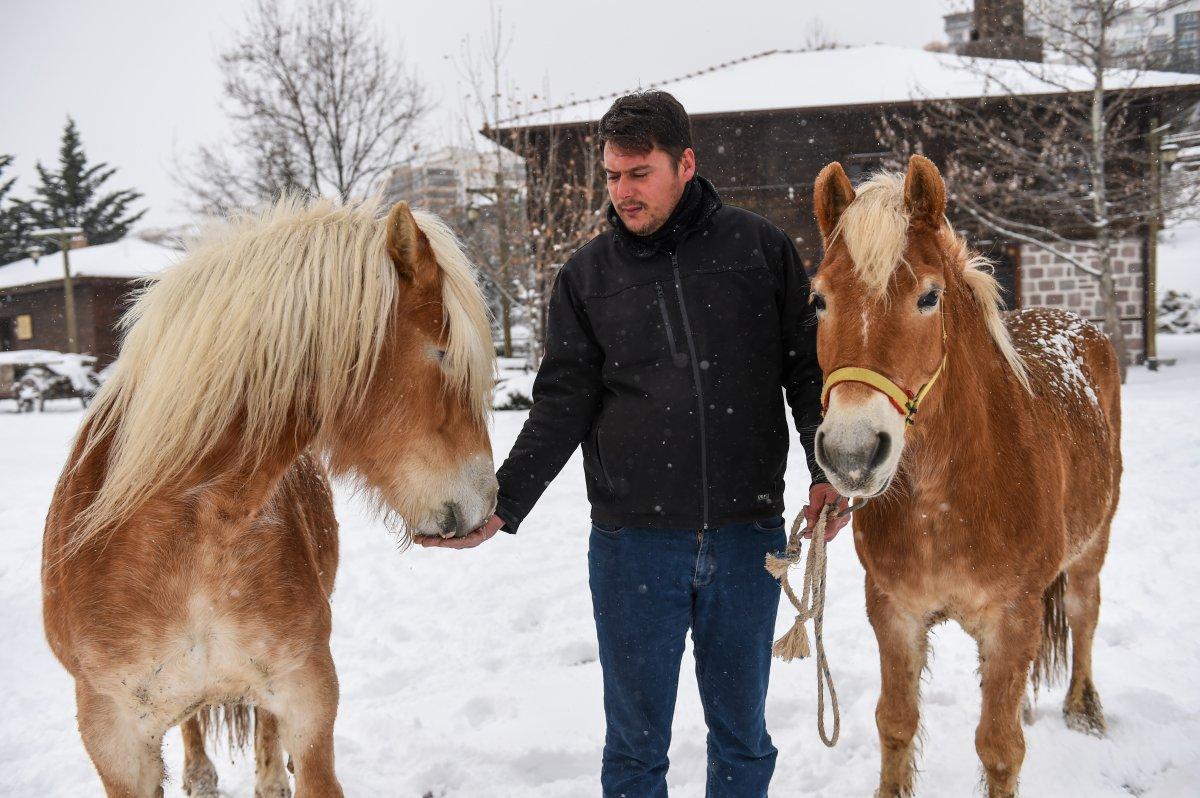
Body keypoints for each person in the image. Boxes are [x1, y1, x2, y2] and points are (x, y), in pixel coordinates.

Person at [419, 90, 848, 798]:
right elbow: (561, 406)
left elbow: (806, 372)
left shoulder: (759, 250)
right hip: (632, 549)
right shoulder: (588, 279)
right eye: (612, 175)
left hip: (748, 538)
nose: (622, 191)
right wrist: (502, 503)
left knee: (743, 740)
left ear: (685, 164)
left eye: (638, 173)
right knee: (635, 749)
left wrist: (826, 470)